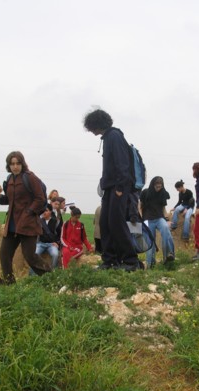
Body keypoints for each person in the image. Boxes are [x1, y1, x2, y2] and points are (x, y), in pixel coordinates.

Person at [83, 108, 141, 271]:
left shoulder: (114, 136)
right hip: (110, 188)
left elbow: (122, 164)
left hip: (118, 187)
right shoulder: (108, 137)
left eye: (91, 127)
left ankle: (131, 261)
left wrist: (120, 188)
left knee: (116, 222)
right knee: (105, 223)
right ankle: (110, 260)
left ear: (96, 124)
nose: (91, 131)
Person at [0, 151, 50, 284]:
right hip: (12, 224)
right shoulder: (9, 179)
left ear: (22, 163)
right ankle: (9, 284)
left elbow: (40, 198)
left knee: (30, 256)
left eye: (18, 163)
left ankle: (51, 278)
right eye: (12, 164)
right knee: (4, 255)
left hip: (27, 224)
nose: (15, 166)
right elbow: (9, 200)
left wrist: (28, 212)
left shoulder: (30, 177)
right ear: (8, 165)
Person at [140, 176, 175, 267]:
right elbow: (140, 206)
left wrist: (167, 220)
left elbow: (163, 208)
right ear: (153, 185)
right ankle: (150, 263)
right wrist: (141, 219)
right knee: (150, 241)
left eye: (160, 186)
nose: (159, 188)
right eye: (157, 186)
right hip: (148, 219)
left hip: (159, 218)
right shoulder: (145, 193)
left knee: (166, 230)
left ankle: (168, 255)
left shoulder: (163, 194)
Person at [35, 204, 60, 270]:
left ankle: (52, 272)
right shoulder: (39, 221)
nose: (44, 212)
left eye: (46, 211)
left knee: (55, 254)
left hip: (51, 244)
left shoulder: (56, 222)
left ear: (50, 212)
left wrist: (57, 242)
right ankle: (33, 275)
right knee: (35, 254)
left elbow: (59, 234)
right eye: (43, 211)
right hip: (40, 243)